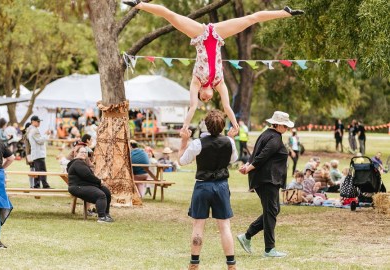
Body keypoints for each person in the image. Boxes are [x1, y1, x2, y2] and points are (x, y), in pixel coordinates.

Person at [123, 0, 304, 131]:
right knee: (251, 19)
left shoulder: (196, 81)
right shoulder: (219, 82)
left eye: (204, 98)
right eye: (207, 99)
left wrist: (185, 126)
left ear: (201, 93)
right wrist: (235, 125)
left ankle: (139, 4)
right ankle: (285, 13)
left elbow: (192, 106)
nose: (206, 99)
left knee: (171, 15)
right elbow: (227, 107)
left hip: (200, 34)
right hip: (217, 35)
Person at [178, 109, 238, 270]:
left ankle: (194, 263)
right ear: (222, 125)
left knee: (198, 225)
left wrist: (184, 141)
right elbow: (234, 159)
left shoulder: (197, 143)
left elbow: (182, 161)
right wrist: (230, 139)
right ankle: (231, 264)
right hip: (221, 185)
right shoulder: (229, 142)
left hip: (202, 185)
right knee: (225, 226)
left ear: (205, 125)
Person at [237, 111, 294, 258]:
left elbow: (255, 153)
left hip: (266, 179)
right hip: (267, 180)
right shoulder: (274, 138)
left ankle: (247, 236)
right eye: (285, 125)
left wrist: (248, 164)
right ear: (279, 125)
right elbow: (262, 156)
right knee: (271, 212)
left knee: (273, 211)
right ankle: (269, 249)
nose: (287, 128)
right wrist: (248, 167)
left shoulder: (266, 134)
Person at [67, 145, 113, 223]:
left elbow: (88, 177)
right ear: (76, 153)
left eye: (85, 152)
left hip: (85, 185)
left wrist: (98, 184)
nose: (84, 154)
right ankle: (101, 217)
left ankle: (106, 214)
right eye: (82, 152)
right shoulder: (77, 162)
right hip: (77, 187)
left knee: (106, 192)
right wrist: (99, 181)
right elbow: (87, 176)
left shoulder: (82, 162)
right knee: (100, 195)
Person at [28, 115, 51, 189]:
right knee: (42, 170)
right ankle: (45, 185)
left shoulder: (31, 129)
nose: (39, 123)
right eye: (38, 121)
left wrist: (44, 135)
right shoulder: (34, 130)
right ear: (33, 122)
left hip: (36, 153)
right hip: (39, 154)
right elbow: (40, 141)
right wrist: (46, 135)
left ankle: (37, 185)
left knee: (37, 171)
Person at [22, 122, 35, 188]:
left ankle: (32, 185)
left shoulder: (25, 134)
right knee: (33, 170)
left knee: (32, 169)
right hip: (31, 154)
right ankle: (32, 185)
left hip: (29, 154)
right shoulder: (27, 134)